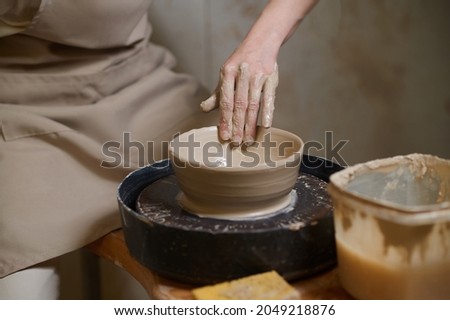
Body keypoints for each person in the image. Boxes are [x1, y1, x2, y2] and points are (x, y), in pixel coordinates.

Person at [0, 0, 316, 299]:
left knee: (249, 247)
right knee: (18, 296)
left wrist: (262, 45)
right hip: (19, 102)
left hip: (134, 80)